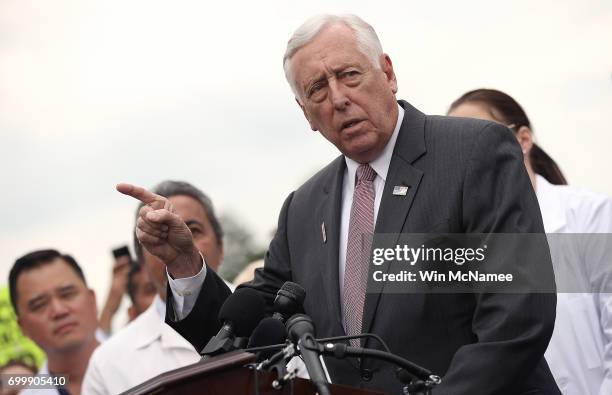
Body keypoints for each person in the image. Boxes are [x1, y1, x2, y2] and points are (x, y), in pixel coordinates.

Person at [118, 14, 559, 394]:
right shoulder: (304, 208)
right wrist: (184, 265)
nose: (339, 98)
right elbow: (244, 333)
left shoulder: (474, 152)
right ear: (306, 113)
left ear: (387, 73)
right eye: (317, 89)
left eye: (350, 75)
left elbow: (517, 319)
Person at [448, 88, 612, 395]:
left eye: (481, 140)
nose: (469, 157)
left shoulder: (591, 215)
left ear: (523, 140)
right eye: (458, 150)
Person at [83, 180, 225, 395]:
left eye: (193, 230)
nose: (181, 240)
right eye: (161, 234)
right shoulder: (108, 363)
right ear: (142, 263)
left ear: (221, 247)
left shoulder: (271, 312)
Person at [8, 249, 100, 395]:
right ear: (22, 327)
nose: (59, 311)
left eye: (67, 294)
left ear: (92, 300)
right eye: (40, 305)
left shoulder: (145, 360)